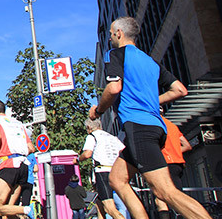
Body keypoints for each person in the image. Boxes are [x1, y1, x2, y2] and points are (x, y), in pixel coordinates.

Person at [89, 17, 210, 219]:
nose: (110, 38)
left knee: (165, 192)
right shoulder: (150, 61)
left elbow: (114, 87)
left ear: (118, 33)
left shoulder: (115, 54)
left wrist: (98, 111)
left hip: (139, 127)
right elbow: (179, 90)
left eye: (111, 34)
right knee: (117, 180)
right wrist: (152, 102)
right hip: (156, 127)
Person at [0, 100, 36, 219]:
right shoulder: (18, 123)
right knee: (8, 209)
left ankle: (26, 209)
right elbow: (31, 148)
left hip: (9, 165)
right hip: (23, 166)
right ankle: (23, 210)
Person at [76, 117, 125, 219]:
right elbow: (123, 150)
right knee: (100, 205)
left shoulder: (92, 136)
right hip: (116, 170)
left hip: (102, 171)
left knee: (109, 208)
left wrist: (77, 159)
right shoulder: (112, 137)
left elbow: (87, 154)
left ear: (89, 127)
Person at [155, 117, 193, 219]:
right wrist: (174, 152)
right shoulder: (172, 126)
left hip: (165, 165)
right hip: (177, 165)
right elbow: (187, 146)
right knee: (177, 196)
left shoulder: (154, 125)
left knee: (161, 200)